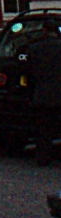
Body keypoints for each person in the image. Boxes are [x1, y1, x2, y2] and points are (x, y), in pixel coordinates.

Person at [28, 15, 61, 166]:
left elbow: (29, 74)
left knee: (43, 129)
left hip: (41, 94)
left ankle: (43, 157)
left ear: (44, 30)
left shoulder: (34, 49)